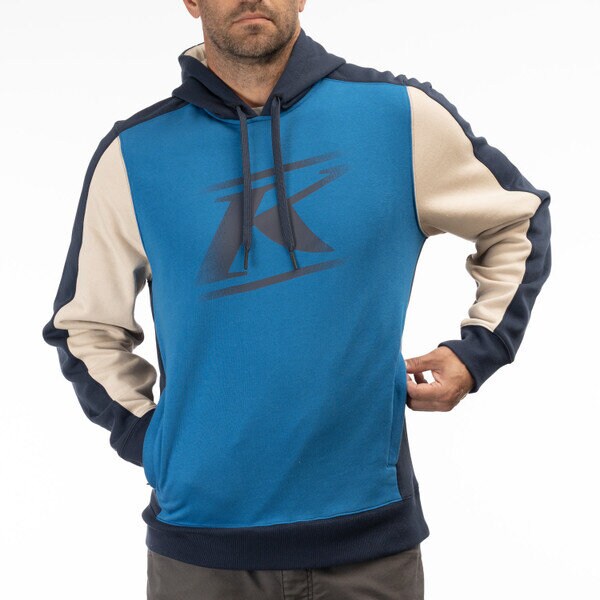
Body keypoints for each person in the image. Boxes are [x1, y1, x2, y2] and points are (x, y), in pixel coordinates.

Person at [41, 1, 552, 598]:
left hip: (369, 541)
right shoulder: (135, 153)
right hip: (200, 550)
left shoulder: (399, 117)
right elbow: (86, 326)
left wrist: (479, 350)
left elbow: (517, 219)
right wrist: (154, 443)